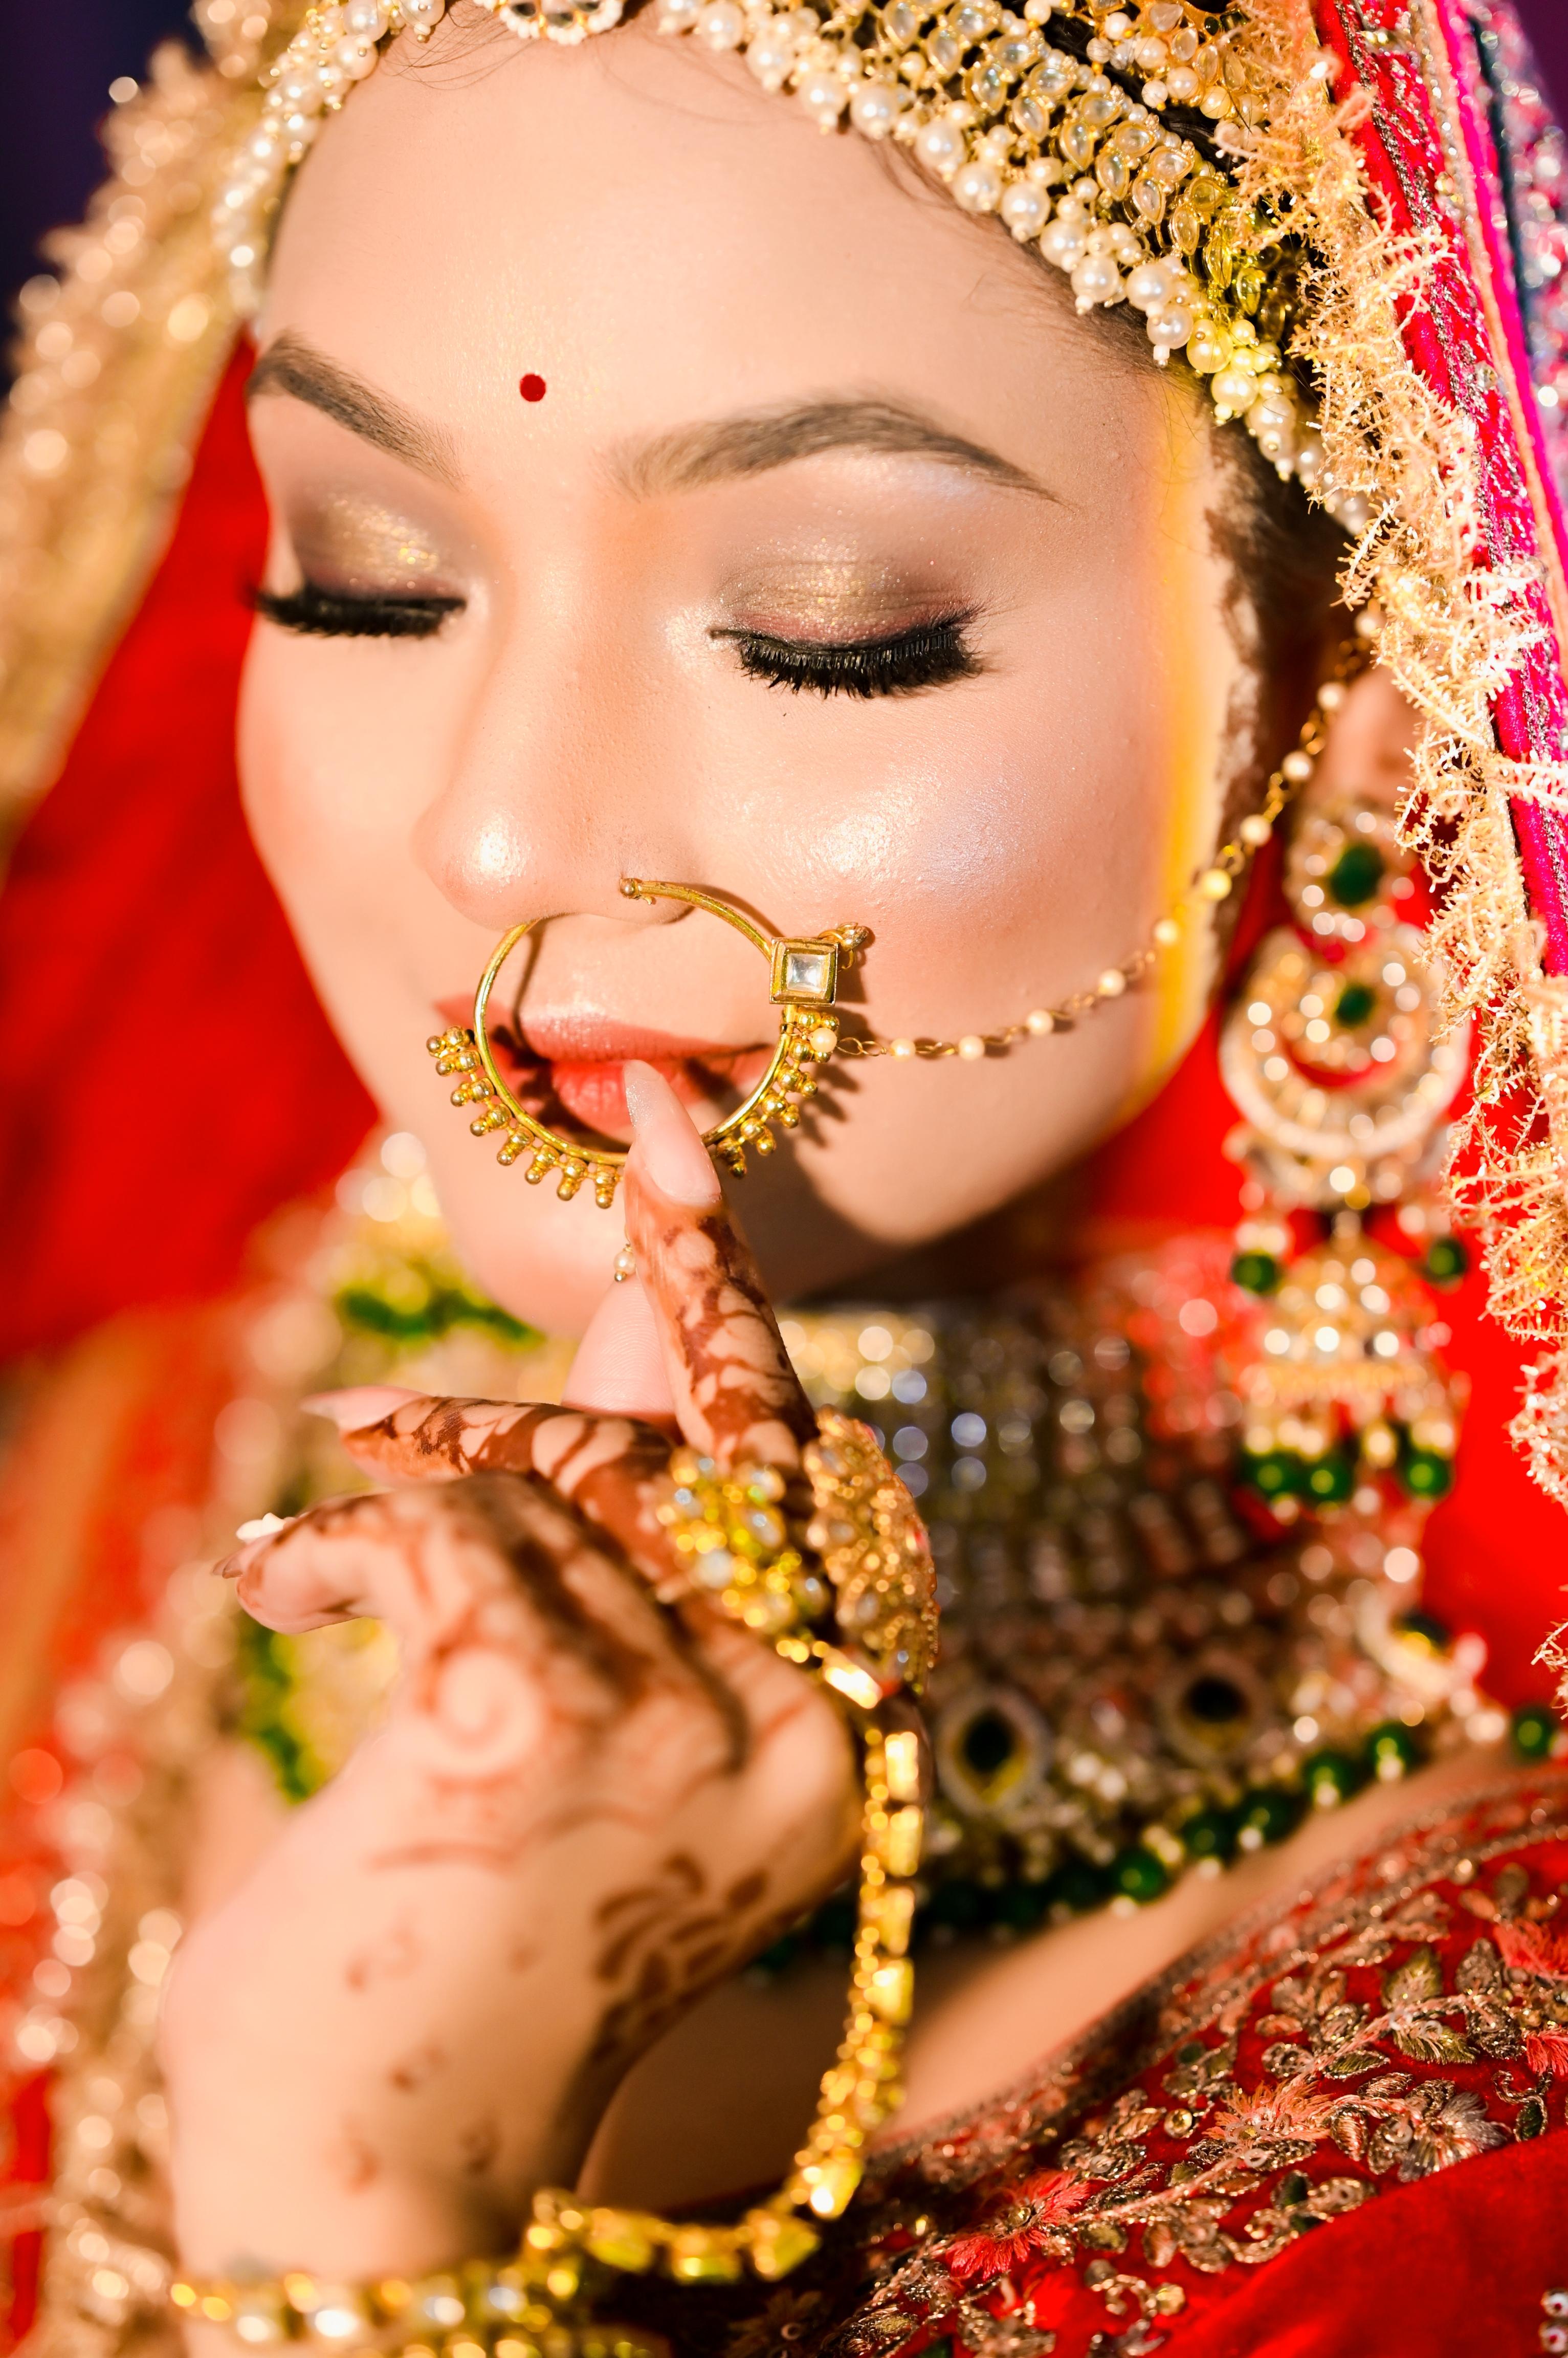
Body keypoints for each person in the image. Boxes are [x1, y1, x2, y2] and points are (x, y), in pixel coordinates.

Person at [4, 1, 1568, 2352]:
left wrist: (348, 2196)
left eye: (826, 628)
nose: (494, 834)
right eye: (366, 578)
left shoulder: (1458, 2110)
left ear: (1368, 663)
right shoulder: (75, 1524)